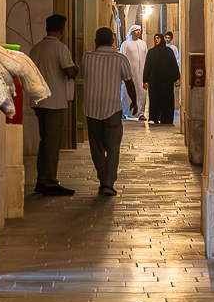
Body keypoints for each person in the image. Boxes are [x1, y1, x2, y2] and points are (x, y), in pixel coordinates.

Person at [28, 12, 78, 196]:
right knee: (52, 144)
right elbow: (69, 71)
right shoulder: (60, 48)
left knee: (44, 142)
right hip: (55, 101)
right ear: (62, 30)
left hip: (38, 101)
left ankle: (41, 179)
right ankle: (50, 181)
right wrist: (76, 68)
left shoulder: (36, 49)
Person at [81, 27, 135, 195]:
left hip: (91, 108)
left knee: (96, 145)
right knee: (113, 146)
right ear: (113, 41)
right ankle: (108, 183)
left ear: (95, 41)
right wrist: (134, 101)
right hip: (113, 108)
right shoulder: (120, 59)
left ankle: (103, 178)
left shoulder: (87, 58)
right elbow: (129, 82)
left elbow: (81, 76)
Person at [142, 32, 180, 125]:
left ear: (161, 39)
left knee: (167, 100)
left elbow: (173, 65)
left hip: (166, 80)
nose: (156, 40)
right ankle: (153, 117)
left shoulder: (169, 51)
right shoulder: (151, 52)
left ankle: (166, 119)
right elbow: (147, 66)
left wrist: (176, 78)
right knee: (154, 100)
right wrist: (145, 80)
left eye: (158, 38)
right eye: (155, 38)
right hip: (154, 80)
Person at [120, 20, 148, 119]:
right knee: (127, 92)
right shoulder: (126, 44)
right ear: (131, 32)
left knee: (141, 92)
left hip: (141, 74)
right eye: (136, 30)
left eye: (139, 30)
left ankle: (140, 113)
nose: (138, 32)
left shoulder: (143, 44)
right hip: (130, 73)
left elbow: (146, 57)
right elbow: (122, 57)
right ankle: (126, 112)